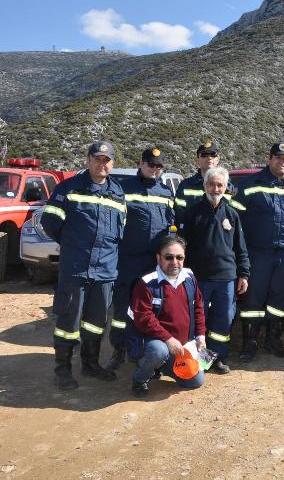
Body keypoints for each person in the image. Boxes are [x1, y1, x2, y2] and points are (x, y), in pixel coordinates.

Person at [42, 141, 126, 390]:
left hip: (105, 270)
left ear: (112, 164)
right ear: (88, 160)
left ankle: (90, 364)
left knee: (96, 322)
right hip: (76, 268)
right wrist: (72, 245)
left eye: (106, 160)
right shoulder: (68, 187)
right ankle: (62, 370)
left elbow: (121, 229)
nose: (102, 164)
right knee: (69, 322)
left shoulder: (117, 192)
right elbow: (50, 222)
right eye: (97, 159)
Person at [234, 142, 284, 361]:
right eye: (277, 157)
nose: (281, 161)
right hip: (258, 252)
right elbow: (236, 218)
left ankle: (273, 340)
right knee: (253, 299)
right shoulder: (251, 183)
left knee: (282, 297)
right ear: (269, 159)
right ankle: (250, 343)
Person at [106, 148, 175, 371]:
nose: (154, 169)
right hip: (128, 260)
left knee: (151, 308)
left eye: (159, 166)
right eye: (151, 164)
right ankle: (119, 350)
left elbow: (171, 225)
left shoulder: (166, 192)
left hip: (154, 263)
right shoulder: (123, 189)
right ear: (140, 164)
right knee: (122, 308)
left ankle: (145, 350)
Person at [181, 166, 249, 373]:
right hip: (198, 277)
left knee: (223, 319)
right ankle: (201, 360)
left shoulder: (232, 214)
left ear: (226, 187)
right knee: (199, 319)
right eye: (212, 184)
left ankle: (218, 357)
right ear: (205, 185)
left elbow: (240, 248)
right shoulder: (192, 212)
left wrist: (244, 274)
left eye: (220, 185)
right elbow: (182, 246)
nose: (216, 189)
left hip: (226, 277)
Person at [130, 235, 207, 397]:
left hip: (182, 347)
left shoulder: (189, 277)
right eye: (169, 257)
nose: (175, 262)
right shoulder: (146, 283)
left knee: (196, 381)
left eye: (179, 257)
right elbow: (144, 318)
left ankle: (161, 365)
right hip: (158, 342)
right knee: (158, 352)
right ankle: (140, 378)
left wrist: (200, 335)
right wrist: (168, 339)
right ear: (158, 258)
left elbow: (198, 307)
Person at [175, 141, 236, 227]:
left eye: (213, 155)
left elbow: (234, 215)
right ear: (197, 160)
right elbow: (179, 214)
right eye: (204, 155)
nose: (209, 158)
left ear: (217, 159)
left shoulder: (229, 187)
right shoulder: (185, 186)